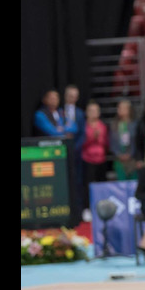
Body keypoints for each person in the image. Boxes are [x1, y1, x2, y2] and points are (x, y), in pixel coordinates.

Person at [63, 85, 89, 219]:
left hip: (77, 154)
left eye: (75, 96)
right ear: (66, 96)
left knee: (78, 182)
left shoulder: (79, 113)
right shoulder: (59, 112)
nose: (72, 98)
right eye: (70, 95)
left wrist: (74, 148)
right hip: (61, 153)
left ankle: (78, 212)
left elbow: (83, 135)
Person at [81, 101, 109, 216]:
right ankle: (88, 209)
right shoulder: (84, 126)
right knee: (88, 185)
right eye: (91, 111)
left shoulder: (102, 126)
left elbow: (106, 143)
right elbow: (81, 143)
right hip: (88, 159)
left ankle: (103, 209)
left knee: (102, 185)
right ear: (87, 113)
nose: (93, 113)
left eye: (96, 110)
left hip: (101, 160)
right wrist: (93, 138)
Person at [109, 99, 137, 180]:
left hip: (132, 160)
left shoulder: (134, 125)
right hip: (119, 160)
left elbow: (136, 142)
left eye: (123, 108)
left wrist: (130, 154)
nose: (120, 110)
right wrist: (118, 154)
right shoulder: (114, 125)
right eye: (119, 108)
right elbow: (112, 142)